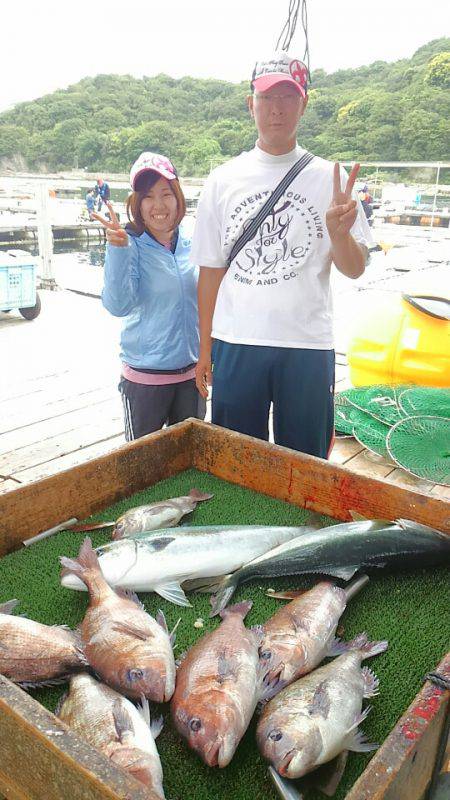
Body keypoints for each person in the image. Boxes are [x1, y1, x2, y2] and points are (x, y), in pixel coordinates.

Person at [192, 52, 372, 459]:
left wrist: (340, 236)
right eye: (266, 97)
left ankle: (306, 525)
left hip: (306, 345)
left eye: (288, 97)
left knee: (307, 461)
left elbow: (355, 268)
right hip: (237, 340)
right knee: (236, 459)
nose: (277, 109)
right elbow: (210, 273)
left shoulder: (331, 178)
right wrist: (205, 349)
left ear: (304, 103)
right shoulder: (222, 180)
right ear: (250, 103)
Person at [96, 151, 206, 440]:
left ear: (178, 197)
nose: (158, 205)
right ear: (137, 203)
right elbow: (118, 306)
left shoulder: (192, 241)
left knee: (190, 465)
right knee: (143, 471)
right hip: (146, 381)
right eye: (148, 196)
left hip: (191, 377)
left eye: (166, 193)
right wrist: (117, 249)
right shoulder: (130, 243)